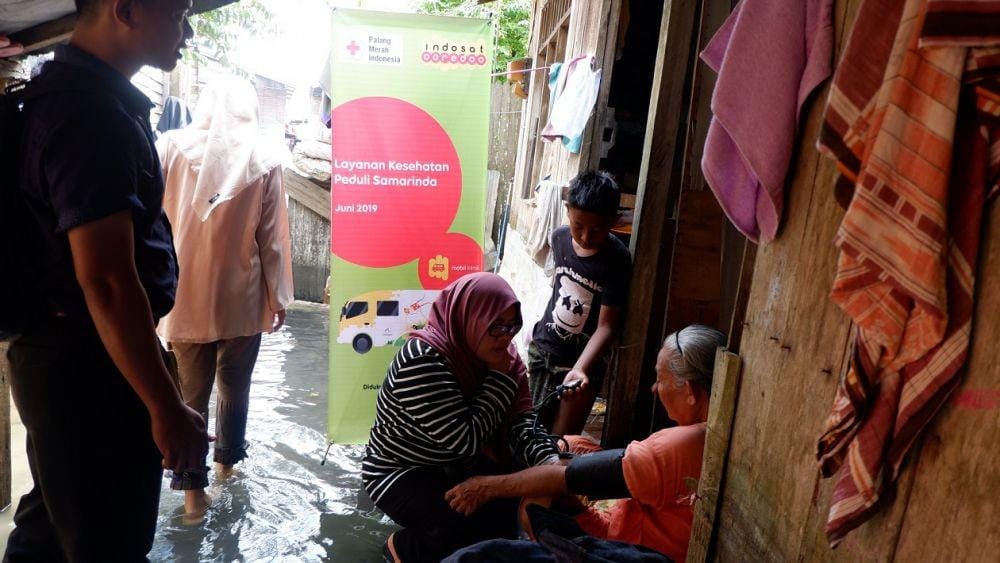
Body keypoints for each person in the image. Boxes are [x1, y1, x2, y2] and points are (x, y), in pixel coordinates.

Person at [6, 1, 208, 560]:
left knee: (51, 525)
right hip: (88, 364)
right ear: (127, 10)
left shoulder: (65, 95)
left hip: (73, 356)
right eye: (180, 13)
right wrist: (166, 408)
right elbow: (108, 281)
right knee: (107, 542)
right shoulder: (91, 114)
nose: (188, 30)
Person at [445, 325, 727, 561]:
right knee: (571, 443)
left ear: (689, 391)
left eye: (660, 379)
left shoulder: (681, 445)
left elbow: (570, 477)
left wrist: (485, 487)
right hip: (647, 522)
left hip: (628, 545)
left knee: (527, 512)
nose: (655, 388)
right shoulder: (710, 432)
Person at [156, 77, 294, 517]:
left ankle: (193, 498)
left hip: (183, 296)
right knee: (235, 388)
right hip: (242, 299)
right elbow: (272, 238)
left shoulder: (170, 149)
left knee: (188, 397)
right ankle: (227, 468)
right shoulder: (265, 158)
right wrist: (279, 298)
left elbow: (149, 222)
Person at [363, 273, 562, 562]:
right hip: (399, 469)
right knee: (455, 528)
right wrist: (499, 377)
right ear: (470, 318)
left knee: (505, 518)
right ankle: (402, 548)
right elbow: (464, 441)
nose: (506, 337)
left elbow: (521, 418)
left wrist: (549, 462)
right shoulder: (421, 359)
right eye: (495, 327)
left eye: (512, 326)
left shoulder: (502, 356)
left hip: (454, 463)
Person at [528, 170, 632, 436]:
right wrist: (539, 330)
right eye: (579, 226)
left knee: (559, 442)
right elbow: (558, 290)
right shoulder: (560, 238)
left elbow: (606, 327)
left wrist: (580, 368)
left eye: (597, 229)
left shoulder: (617, 259)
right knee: (529, 429)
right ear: (567, 212)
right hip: (545, 350)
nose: (586, 236)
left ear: (614, 221)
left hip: (581, 363)